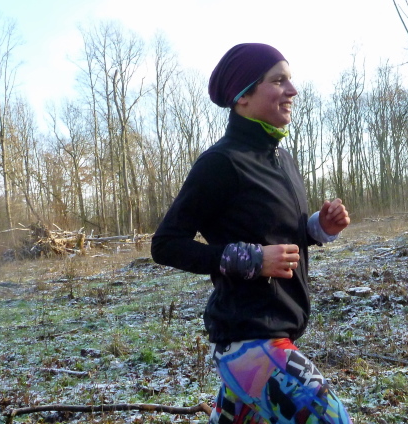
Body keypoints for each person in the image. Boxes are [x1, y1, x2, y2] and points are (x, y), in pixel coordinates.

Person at [151, 43, 352, 424]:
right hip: (250, 341)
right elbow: (166, 244)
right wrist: (254, 260)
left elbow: (276, 233)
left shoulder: (282, 158)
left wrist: (318, 228)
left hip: (276, 331)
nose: (292, 90)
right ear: (242, 95)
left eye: (290, 80)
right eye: (278, 80)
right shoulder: (220, 163)